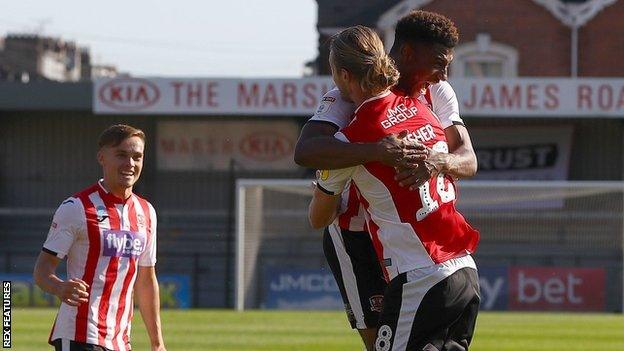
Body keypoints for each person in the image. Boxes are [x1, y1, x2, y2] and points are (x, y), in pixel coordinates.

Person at [295, 10, 477, 350]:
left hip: (414, 251)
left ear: (343, 73)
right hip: (359, 237)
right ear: (407, 54)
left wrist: (438, 162)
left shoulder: (432, 93)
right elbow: (306, 149)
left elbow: (468, 159)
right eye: (438, 62)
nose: (443, 75)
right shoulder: (352, 99)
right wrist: (378, 151)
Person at [33, 124, 166, 351]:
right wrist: (59, 287)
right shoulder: (76, 208)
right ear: (102, 157)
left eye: (137, 156)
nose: (130, 164)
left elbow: (145, 280)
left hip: (120, 341)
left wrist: (157, 342)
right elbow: (42, 270)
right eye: (121, 155)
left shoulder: (147, 212)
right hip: (79, 335)